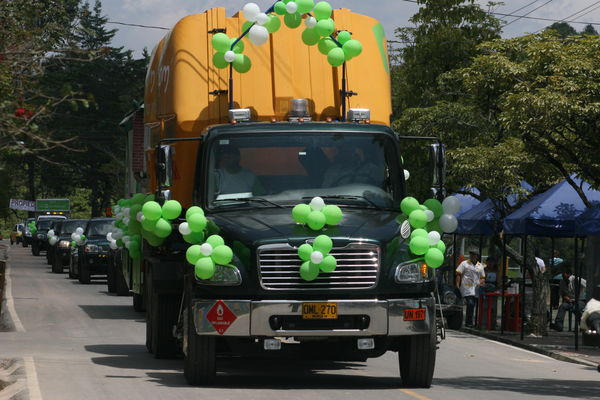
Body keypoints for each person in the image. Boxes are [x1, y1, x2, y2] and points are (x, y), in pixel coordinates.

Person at [456, 247, 485, 327]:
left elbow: (482, 278)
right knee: (470, 303)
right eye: (471, 254)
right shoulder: (464, 263)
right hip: (466, 287)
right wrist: (457, 284)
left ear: (477, 256)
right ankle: (469, 322)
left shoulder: (480, 266)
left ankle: (469, 322)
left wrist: (480, 282)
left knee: (472, 305)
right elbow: (458, 274)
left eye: (474, 255)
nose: (472, 256)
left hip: (475, 288)